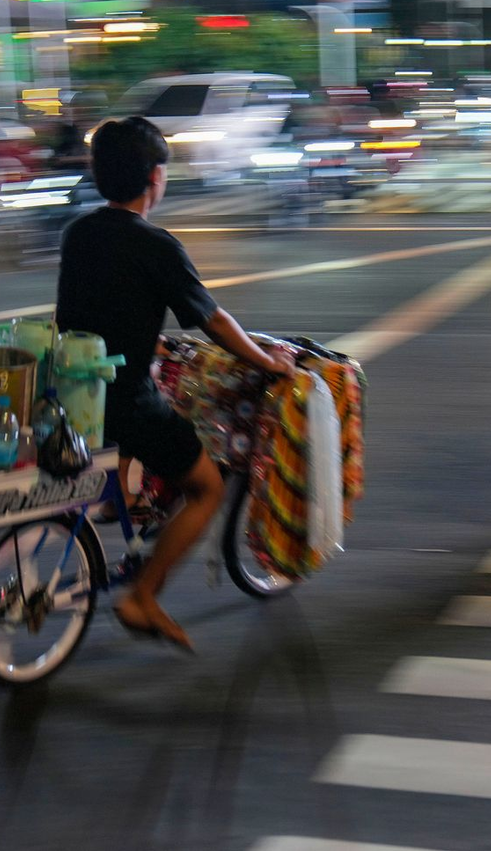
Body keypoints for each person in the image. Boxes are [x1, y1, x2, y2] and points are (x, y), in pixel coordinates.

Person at [56, 116, 293, 650]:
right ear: (155, 179)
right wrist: (266, 362)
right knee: (205, 486)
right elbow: (214, 321)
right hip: (125, 402)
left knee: (138, 441)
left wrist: (151, 342)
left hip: (74, 392)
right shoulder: (158, 246)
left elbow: (89, 313)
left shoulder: (78, 234)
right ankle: (143, 594)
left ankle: (121, 516)